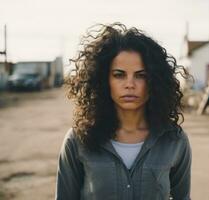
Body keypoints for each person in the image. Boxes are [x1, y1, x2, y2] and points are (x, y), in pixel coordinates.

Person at [55, 22, 192, 200]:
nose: (130, 84)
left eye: (140, 75)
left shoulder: (174, 140)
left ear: (154, 81)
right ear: (103, 80)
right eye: (119, 75)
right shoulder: (78, 140)